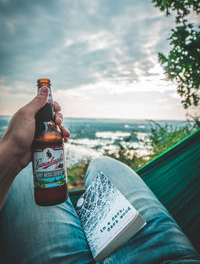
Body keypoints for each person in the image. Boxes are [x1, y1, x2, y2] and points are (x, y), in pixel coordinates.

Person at [0, 88, 200, 264]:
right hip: (167, 254)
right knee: (103, 164)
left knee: (28, 171)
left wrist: (12, 151)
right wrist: (16, 149)